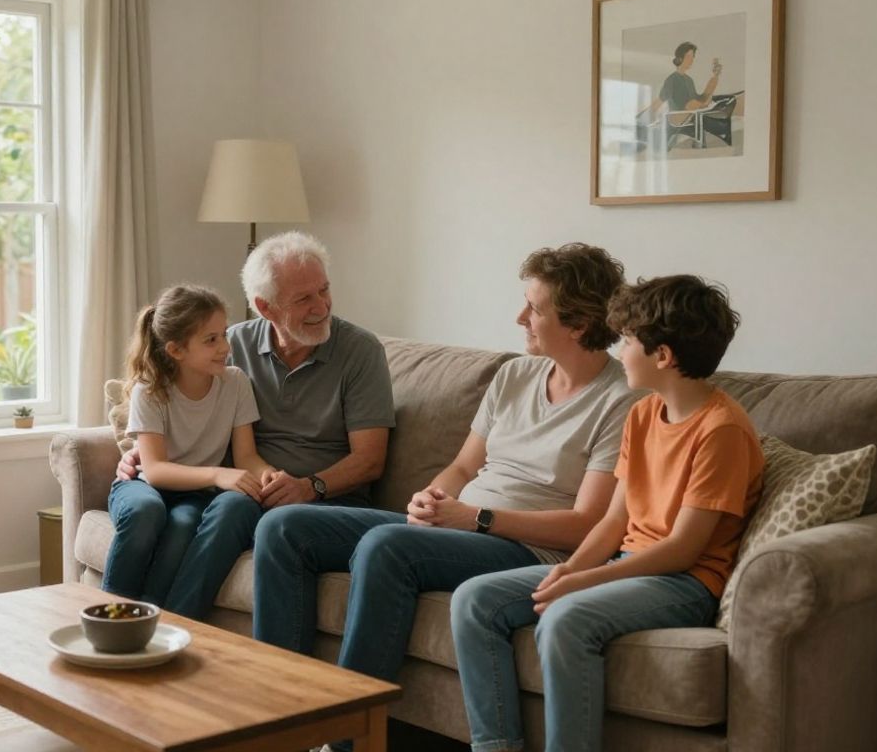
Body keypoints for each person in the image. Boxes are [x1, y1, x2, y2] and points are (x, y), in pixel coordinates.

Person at [253, 244, 640, 752]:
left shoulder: (623, 400)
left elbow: (588, 523)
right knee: (285, 527)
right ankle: (278, 723)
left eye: (535, 308)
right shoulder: (515, 376)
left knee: (387, 547)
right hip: (463, 525)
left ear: (578, 323)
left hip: (527, 549)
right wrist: (430, 497)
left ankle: (344, 740)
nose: (519, 316)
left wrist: (476, 518)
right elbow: (462, 466)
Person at [450, 275, 763, 752]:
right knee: (474, 601)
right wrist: (571, 569)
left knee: (565, 619)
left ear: (663, 356)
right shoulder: (641, 415)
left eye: (631, 341)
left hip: (685, 582)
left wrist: (583, 583)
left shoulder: (722, 431)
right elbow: (614, 521)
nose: (619, 353)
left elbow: (683, 549)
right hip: (624, 564)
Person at [115, 232, 395, 619]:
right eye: (303, 298)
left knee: (235, 508)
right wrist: (137, 453)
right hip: (253, 488)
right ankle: (163, 626)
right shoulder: (231, 347)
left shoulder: (360, 352)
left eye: (324, 290)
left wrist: (309, 486)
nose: (322, 306)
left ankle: (173, 628)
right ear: (265, 307)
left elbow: (369, 461)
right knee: (226, 507)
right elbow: (176, 398)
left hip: (329, 499)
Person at [101, 285, 278, 607]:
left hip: (192, 495)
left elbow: (247, 456)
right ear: (176, 350)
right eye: (211, 340)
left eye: (224, 334)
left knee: (183, 524)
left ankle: (154, 617)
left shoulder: (235, 382)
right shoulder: (150, 390)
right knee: (145, 512)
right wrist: (217, 475)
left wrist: (268, 474)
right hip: (141, 486)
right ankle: (111, 611)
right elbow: (153, 470)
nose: (224, 346)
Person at [650, 41, 723, 119]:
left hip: (692, 120)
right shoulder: (672, 79)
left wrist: (715, 76)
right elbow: (658, 102)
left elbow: (701, 100)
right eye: (688, 56)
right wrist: (644, 119)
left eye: (692, 57)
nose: (691, 60)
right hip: (678, 122)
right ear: (680, 58)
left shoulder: (689, 80)